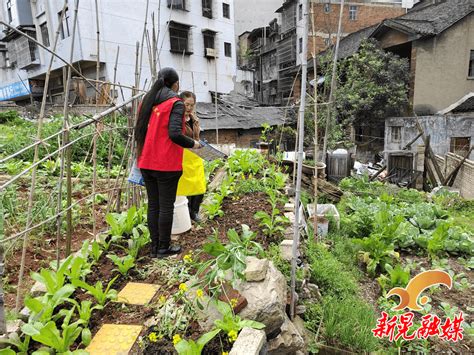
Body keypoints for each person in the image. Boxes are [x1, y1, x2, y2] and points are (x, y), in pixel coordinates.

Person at [135, 68, 201, 258]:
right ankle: (164, 248)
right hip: (165, 164)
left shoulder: (148, 101)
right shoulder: (175, 103)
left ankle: (155, 247)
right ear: (175, 84)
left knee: (153, 205)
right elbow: (174, 134)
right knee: (166, 206)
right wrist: (194, 143)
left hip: (146, 162)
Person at [180, 91, 204, 222]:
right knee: (187, 187)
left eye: (191, 105)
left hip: (196, 155)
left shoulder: (195, 119)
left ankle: (195, 212)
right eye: (186, 104)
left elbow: (197, 136)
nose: (189, 108)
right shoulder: (177, 120)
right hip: (183, 156)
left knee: (200, 185)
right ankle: (187, 213)